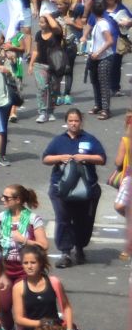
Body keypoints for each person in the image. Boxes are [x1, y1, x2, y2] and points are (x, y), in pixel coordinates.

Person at [42, 107, 107, 266]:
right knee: (63, 218)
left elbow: (102, 158)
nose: (73, 124)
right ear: (66, 122)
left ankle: (79, 248)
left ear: (81, 122)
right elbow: (45, 158)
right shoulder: (59, 140)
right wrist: (60, 157)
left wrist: (85, 157)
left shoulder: (89, 139)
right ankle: (65, 252)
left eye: (76, 121)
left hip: (86, 188)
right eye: (70, 121)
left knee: (83, 220)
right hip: (61, 188)